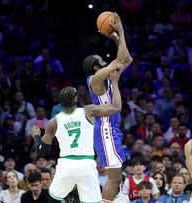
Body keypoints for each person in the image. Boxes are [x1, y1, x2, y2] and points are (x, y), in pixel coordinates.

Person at [31, 70, 123, 203]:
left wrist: (36, 137)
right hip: (86, 164)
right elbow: (116, 107)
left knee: (52, 200)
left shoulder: (53, 122)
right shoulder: (88, 110)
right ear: (75, 99)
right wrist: (114, 82)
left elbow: (41, 151)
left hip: (66, 164)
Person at [83, 12, 133, 202]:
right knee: (114, 178)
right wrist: (119, 29)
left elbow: (127, 60)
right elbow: (119, 61)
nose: (106, 62)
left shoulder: (108, 78)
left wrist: (117, 39)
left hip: (111, 129)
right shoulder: (96, 80)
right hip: (105, 130)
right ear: (96, 68)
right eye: (102, 62)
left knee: (116, 178)